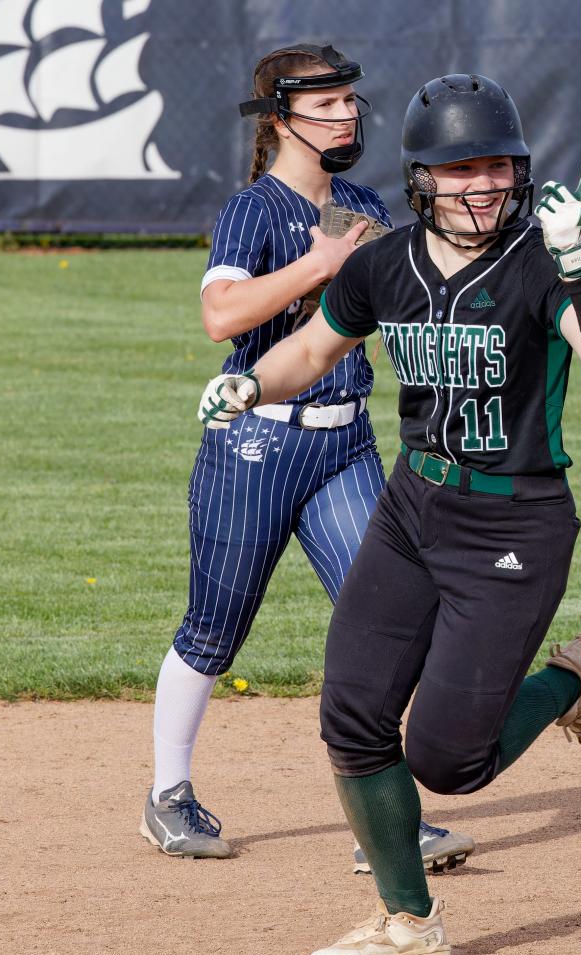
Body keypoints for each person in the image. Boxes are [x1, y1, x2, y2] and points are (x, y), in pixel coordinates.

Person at [197, 73, 581, 955]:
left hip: (513, 525)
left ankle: (574, 682)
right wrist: (251, 383)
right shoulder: (384, 262)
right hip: (412, 509)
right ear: (421, 179)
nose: (481, 185)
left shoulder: (537, 261)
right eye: (459, 168)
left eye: (497, 167)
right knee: (352, 715)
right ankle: (408, 921)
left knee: (450, 760)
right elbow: (314, 347)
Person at [141, 43, 475, 873]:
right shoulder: (254, 210)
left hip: (346, 444)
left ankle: (388, 819)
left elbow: (412, 300)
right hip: (255, 443)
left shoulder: (363, 202)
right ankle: (168, 793)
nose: (347, 114)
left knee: (387, 621)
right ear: (280, 118)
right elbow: (221, 317)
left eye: (350, 100)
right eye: (326, 103)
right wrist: (316, 267)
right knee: (213, 628)